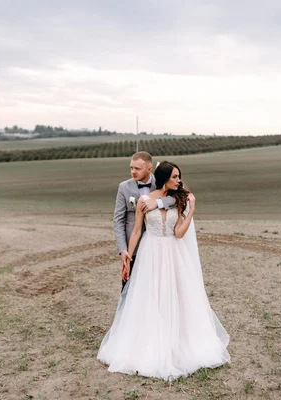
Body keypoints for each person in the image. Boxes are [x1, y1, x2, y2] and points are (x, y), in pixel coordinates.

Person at [98, 161, 230, 380]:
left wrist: (191, 211)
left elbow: (179, 233)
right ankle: (150, 341)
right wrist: (128, 258)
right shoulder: (143, 200)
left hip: (172, 252)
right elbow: (137, 231)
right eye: (175, 176)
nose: (179, 180)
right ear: (165, 177)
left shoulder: (178, 200)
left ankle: (177, 342)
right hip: (150, 253)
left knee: (177, 296)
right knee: (150, 297)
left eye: (179, 176)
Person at [113, 152, 175, 291]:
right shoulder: (124, 187)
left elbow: (177, 197)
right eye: (131, 168)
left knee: (157, 288)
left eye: (137, 168)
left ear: (149, 168)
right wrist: (123, 250)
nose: (133, 172)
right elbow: (118, 220)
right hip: (133, 249)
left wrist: (158, 202)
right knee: (129, 290)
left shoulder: (161, 183)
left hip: (157, 246)